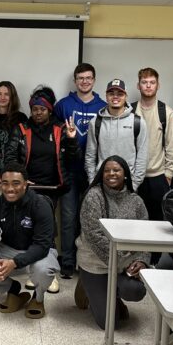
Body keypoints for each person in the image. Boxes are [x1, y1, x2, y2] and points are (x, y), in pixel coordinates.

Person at [6, 86, 78, 284]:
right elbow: (10, 157)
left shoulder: (60, 128)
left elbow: (73, 158)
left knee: (44, 225)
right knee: (32, 226)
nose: (38, 113)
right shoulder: (22, 129)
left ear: (50, 110)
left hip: (53, 187)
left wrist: (72, 140)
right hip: (27, 187)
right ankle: (37, 269)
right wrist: (20, 178)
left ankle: (47, 271)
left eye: (42, 109)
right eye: (35, 109)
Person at [0, 163, 59, 319]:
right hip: (9, 248)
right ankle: (13, 290)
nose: (10, 188)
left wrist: (14, 262)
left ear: (26, 184)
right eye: (5, 183)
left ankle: (37, 298)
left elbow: (42, 245)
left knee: (43, 271)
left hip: (40, 251)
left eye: (16, 183)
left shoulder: (41, 204)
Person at [74, 156, 148, 330]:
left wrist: (142, 260)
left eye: (116, 170)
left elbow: (145, 235)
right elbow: (94, 236)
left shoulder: (136, 201)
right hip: (96, 264)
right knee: (110, 324)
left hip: (124, 266)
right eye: (107, 171)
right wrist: (125, 262)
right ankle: (87, 284)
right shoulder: (94, 196)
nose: (111, 174)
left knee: (136, 291)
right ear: (101, 174)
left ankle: (111, 295)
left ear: (125, 174)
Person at [54, 63, 105, 277]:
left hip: (95, 171)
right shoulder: (63, 105)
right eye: (81, 78)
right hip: (69, 170)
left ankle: (88, 263)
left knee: (93, 218)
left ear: (94, 80)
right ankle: (67, 261)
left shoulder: (103, 106)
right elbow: (54, 135)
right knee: (68, 217)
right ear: (75, 81)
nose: (85, 81)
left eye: (88, 78)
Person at [131, 68, 173, 223]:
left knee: (158, 224)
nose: (148, 86)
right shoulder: (129, 111)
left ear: (158, 85)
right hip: (132, 177)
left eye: (152, 82)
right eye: (144, 82)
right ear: (138, 86)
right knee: (133, 223)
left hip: (158, 177)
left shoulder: (166, 112)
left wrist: (168, 175)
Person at [85, 79, 148, 191]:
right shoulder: (95, 123)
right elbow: (90, 156)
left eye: (120, 94)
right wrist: (93, 182)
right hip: (102, 185)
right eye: (111, 94)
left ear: (125, 96)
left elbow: (142, 157)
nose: (115, 97)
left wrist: (134, 185)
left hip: (128, 185)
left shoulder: (137, 122)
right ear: (106, 96)